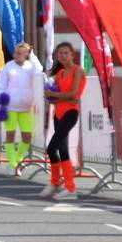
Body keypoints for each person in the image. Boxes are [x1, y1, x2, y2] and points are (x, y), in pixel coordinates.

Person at [41, 41, 85, 200]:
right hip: (58, 113)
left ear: (72, 54)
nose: (63, 56)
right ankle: (62, 185)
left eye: (66, 53)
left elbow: (73, 95)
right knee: (62, 149)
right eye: (60, 53)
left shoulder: (78, 71)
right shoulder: (59, 74)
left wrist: (54, 95)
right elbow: (59, 98)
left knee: (51, 147)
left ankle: (65, 186)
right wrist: (53, 96)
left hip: (70, 113)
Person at [0, 42, 41, 172]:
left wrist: (32, 56)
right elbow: (1, 85)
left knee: (27, 137)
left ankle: (18, 158)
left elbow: (39, 70)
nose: (16, 55)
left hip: (26, 107)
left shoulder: (31, 66)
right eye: (15, 52)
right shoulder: (8, 66)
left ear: (26, 54)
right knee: (10, 135)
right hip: (10, 106)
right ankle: (13, 164)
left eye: (20, 53)